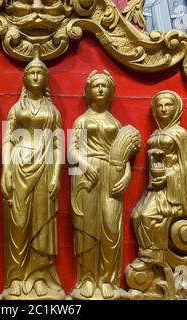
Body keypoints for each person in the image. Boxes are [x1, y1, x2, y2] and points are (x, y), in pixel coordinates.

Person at [70, 70, 139, 299]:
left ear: (111, 93)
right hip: (85, 174)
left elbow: (124, 153)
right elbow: (72, 151)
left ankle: (107, 278)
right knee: (87, 227)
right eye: (96, 86)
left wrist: (127, 174)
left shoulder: (115, 123)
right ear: (88, 92)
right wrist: (84, 165)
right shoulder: (81, 120)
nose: (100, 89)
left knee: (111, 227)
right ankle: (88, 278)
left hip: (111, 174)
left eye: (104, 86)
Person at [1, 51, 64, 299]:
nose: (36, 76)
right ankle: (16, 276)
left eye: (40, 73)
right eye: (32, 73)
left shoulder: (53, 111)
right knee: (18, 223)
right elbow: (7, 139)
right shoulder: (17, 108)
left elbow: (59, 144)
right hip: (18, 166)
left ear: (46, 79)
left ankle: (39, 276)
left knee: (42, 223)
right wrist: (5, 169)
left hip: (45, 166)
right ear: (25, 79)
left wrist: (56, 176)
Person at [131, 90, 187, 267]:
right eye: (159, 106)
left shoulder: (180, 134)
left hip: (173, 190)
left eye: (168, 105)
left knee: (148, 216)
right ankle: (148, 255)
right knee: (137, 215)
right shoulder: (155, 133)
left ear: (176, 108)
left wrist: (168, 176)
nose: (163, 109)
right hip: (156, 187)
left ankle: (154, 258)